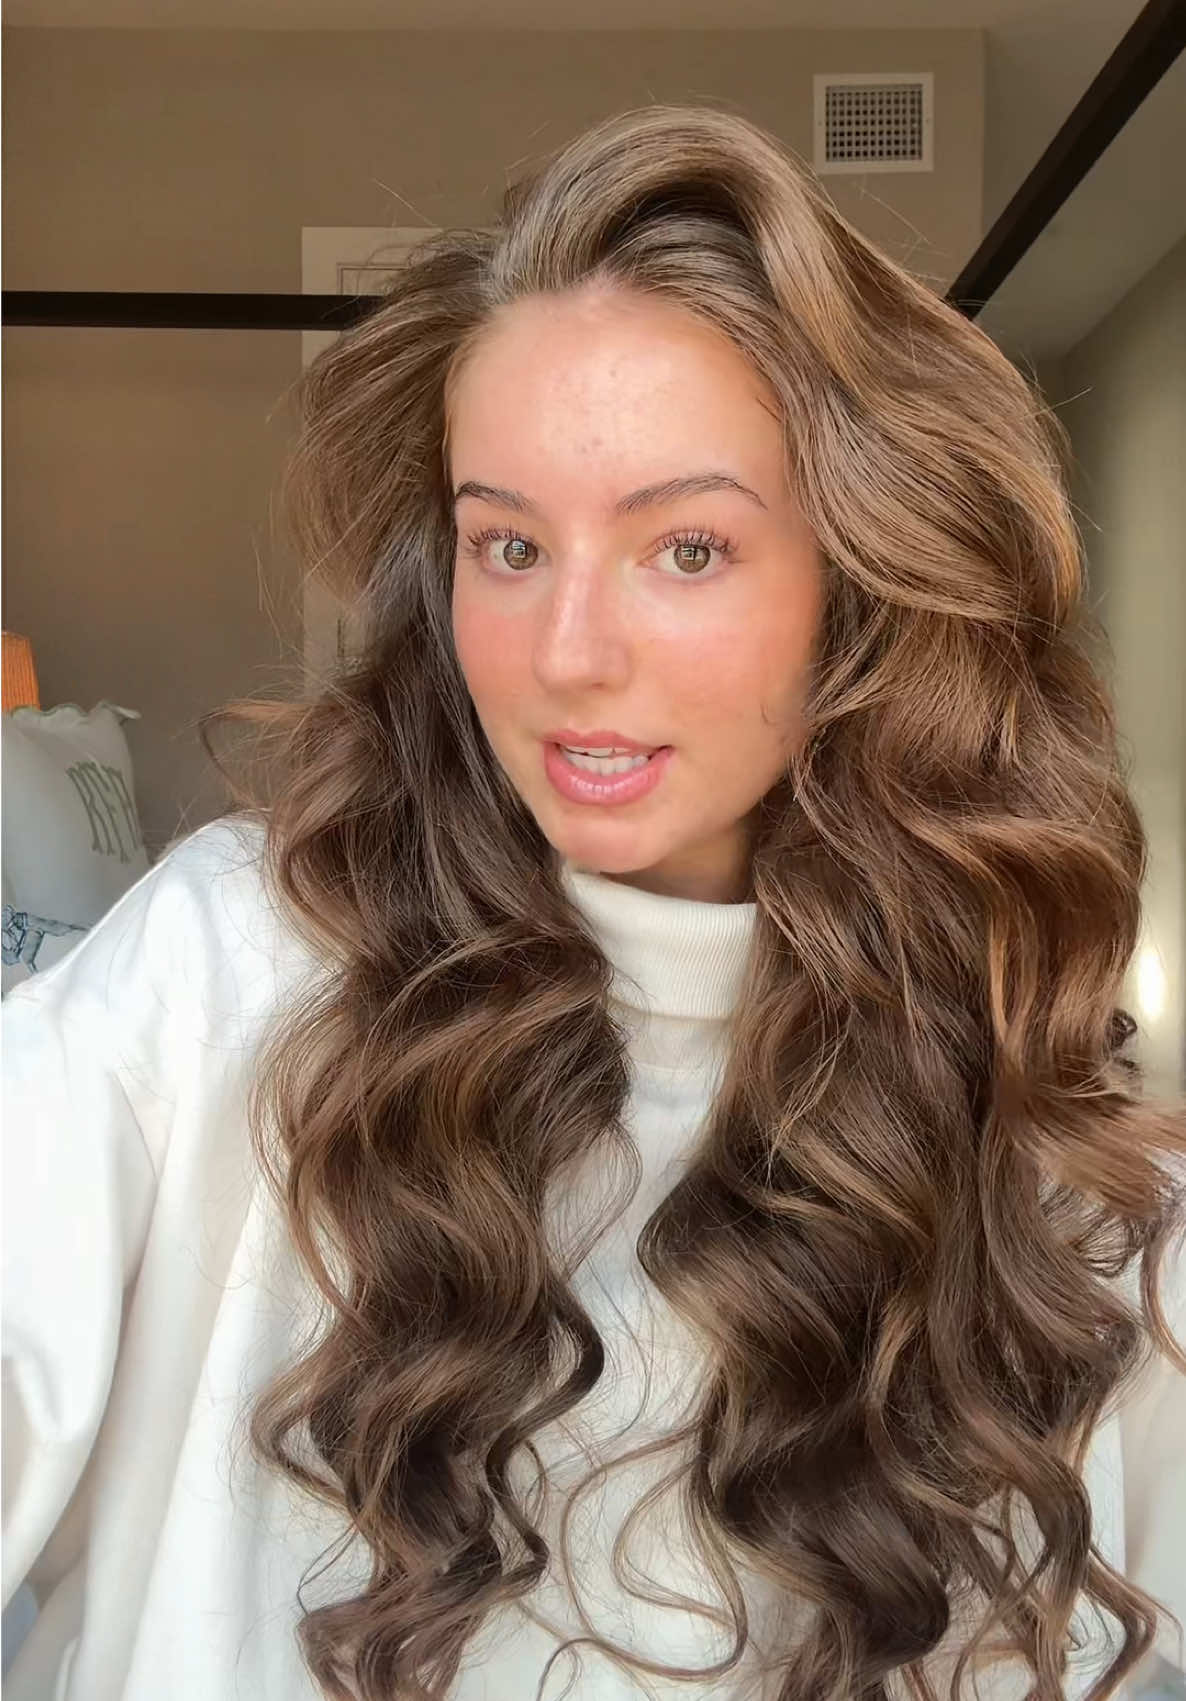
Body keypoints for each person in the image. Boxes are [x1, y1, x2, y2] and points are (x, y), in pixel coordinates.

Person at [3, 102, 1184, 1701]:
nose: (564, 655)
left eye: (683, 549)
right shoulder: (234, 965)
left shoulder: (1071, 1192)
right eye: (506, 545)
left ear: (862, 578)